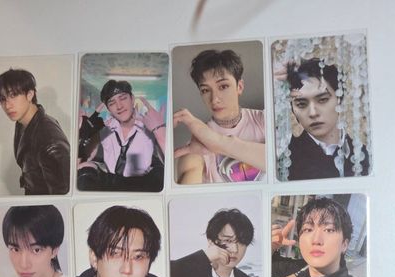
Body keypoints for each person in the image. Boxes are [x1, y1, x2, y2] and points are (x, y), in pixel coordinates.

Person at [174, 49, 265, 184]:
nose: (214, 99)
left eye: (223, 86)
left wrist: (216, 142)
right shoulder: (195, 146)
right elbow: (187, 192)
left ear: (239, 87)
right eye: (205, 90)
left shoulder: (264, 120)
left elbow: (283, 162)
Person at [275, 58, 370, 180]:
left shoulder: (366, 156)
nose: (313, 113)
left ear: (340, 100)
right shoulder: (283, 163)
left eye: (323, 99)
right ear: (292, 109)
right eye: (301, 104)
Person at [77, 79, 166, 192]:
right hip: (112, 185)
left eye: (123, 98)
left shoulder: (150, 126)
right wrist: (84, 136)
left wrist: (159, 129)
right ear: (108, 109)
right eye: (112, 103)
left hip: (143, 186)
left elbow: (170, 166)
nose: (119, 106)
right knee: (84, 171)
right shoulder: (104, 128)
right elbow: (79, 166)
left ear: (132, 99)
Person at [0, 68, 70, 195]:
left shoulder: (50, 143)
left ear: (30, 94)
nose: (7, 105)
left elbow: (61, 197)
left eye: (13, 95)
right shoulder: (22, 123)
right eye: (2, 99)